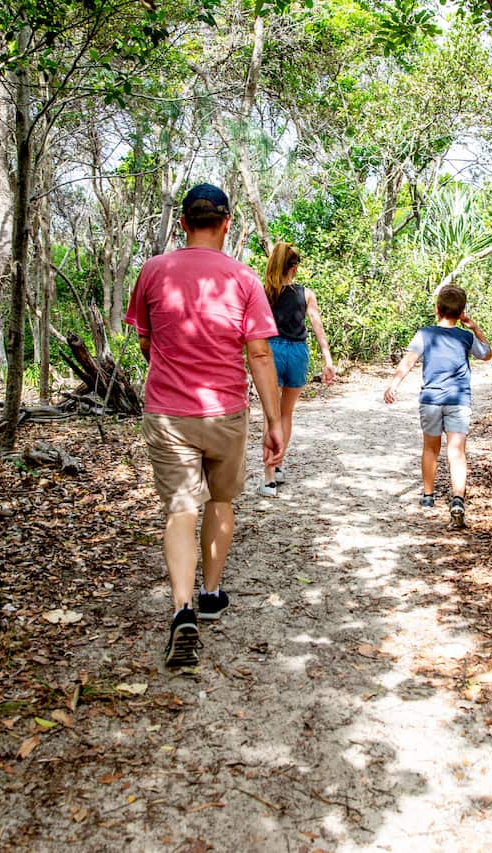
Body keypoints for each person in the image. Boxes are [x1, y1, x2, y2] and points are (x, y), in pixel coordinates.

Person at [124, 183, 283, 668]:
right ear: (227, 224)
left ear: (183, 223)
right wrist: (273, 421)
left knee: (180, 510)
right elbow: (259, 353)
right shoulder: (244, 278)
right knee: (220, 500)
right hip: (225, 413)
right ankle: (211, 594)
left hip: (168, 413)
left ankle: (182, 608)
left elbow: (147, 341)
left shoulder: (153, 270)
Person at [382, 285, 492, 527]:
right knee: (457, 451)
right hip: (458, 400)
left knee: (430, 448)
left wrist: (393, 385)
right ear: (461, 313)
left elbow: (408, 362)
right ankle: (457, 500)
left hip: (431, 400)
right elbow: (487, 354)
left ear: (437, 309)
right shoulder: (466, 337)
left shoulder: (425, 334)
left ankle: (428, 496)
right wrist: (475, 328)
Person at [255, 241, 336, 496]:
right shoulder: (306, 294)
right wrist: (328, 360)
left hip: (271, 351)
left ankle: (269, 478)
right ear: (295, 267)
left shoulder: (263, 292)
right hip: (298, 353)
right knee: (286, 413)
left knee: (270, 414)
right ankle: (277, 464)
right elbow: (317, 327)